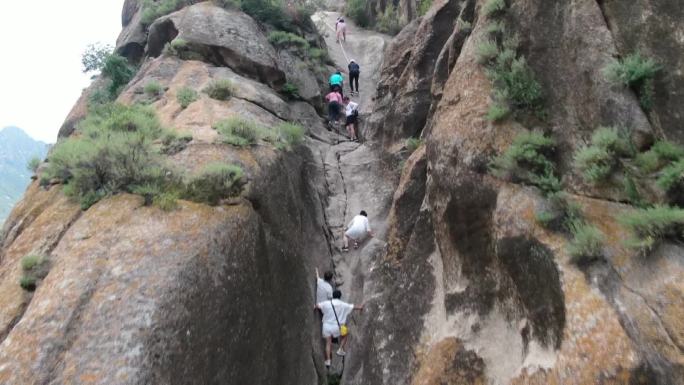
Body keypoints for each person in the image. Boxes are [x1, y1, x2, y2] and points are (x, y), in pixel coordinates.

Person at [315, 290, 363, 368]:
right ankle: (340, 349)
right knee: (345, 334)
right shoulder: (342, 304)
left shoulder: (327, 303)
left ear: (333, 296)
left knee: (328, 343)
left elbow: (318, 305)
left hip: (326, 326)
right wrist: (360, 307)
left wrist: (314, 306)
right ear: (340, 296)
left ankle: (328, 360)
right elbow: (353, 306)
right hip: (337, 327)